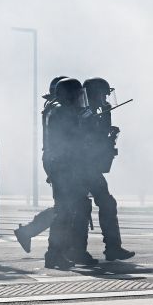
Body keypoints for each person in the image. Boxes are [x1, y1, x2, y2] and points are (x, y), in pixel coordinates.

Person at [72, 77, 134, 263]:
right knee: (83, 207)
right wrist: (105, 120)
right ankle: (80, 251)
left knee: (104, 204)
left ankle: (111, 248)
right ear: (95, 94)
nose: (105, 99)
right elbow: (90, 138)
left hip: (88, 167)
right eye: (103, 95)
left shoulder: (90, 112)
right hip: (81, 167)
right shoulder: (83, 113)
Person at [14, 77, 67, 253]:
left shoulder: (51, 107)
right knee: (64, 206)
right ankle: (31, 233)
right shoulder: (57, 109)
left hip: (54, 158)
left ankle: (30, 232)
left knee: (65, 205)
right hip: (57, 159)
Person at [43, 77, 92, 269]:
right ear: (69, 96)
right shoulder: (61, 114)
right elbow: (72, 141)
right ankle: (54, 254)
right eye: (77, 94)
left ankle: (57, 253)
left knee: (67, 212)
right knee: (63, 212)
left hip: (66, 167)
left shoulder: (61, 112)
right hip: (65, 169)